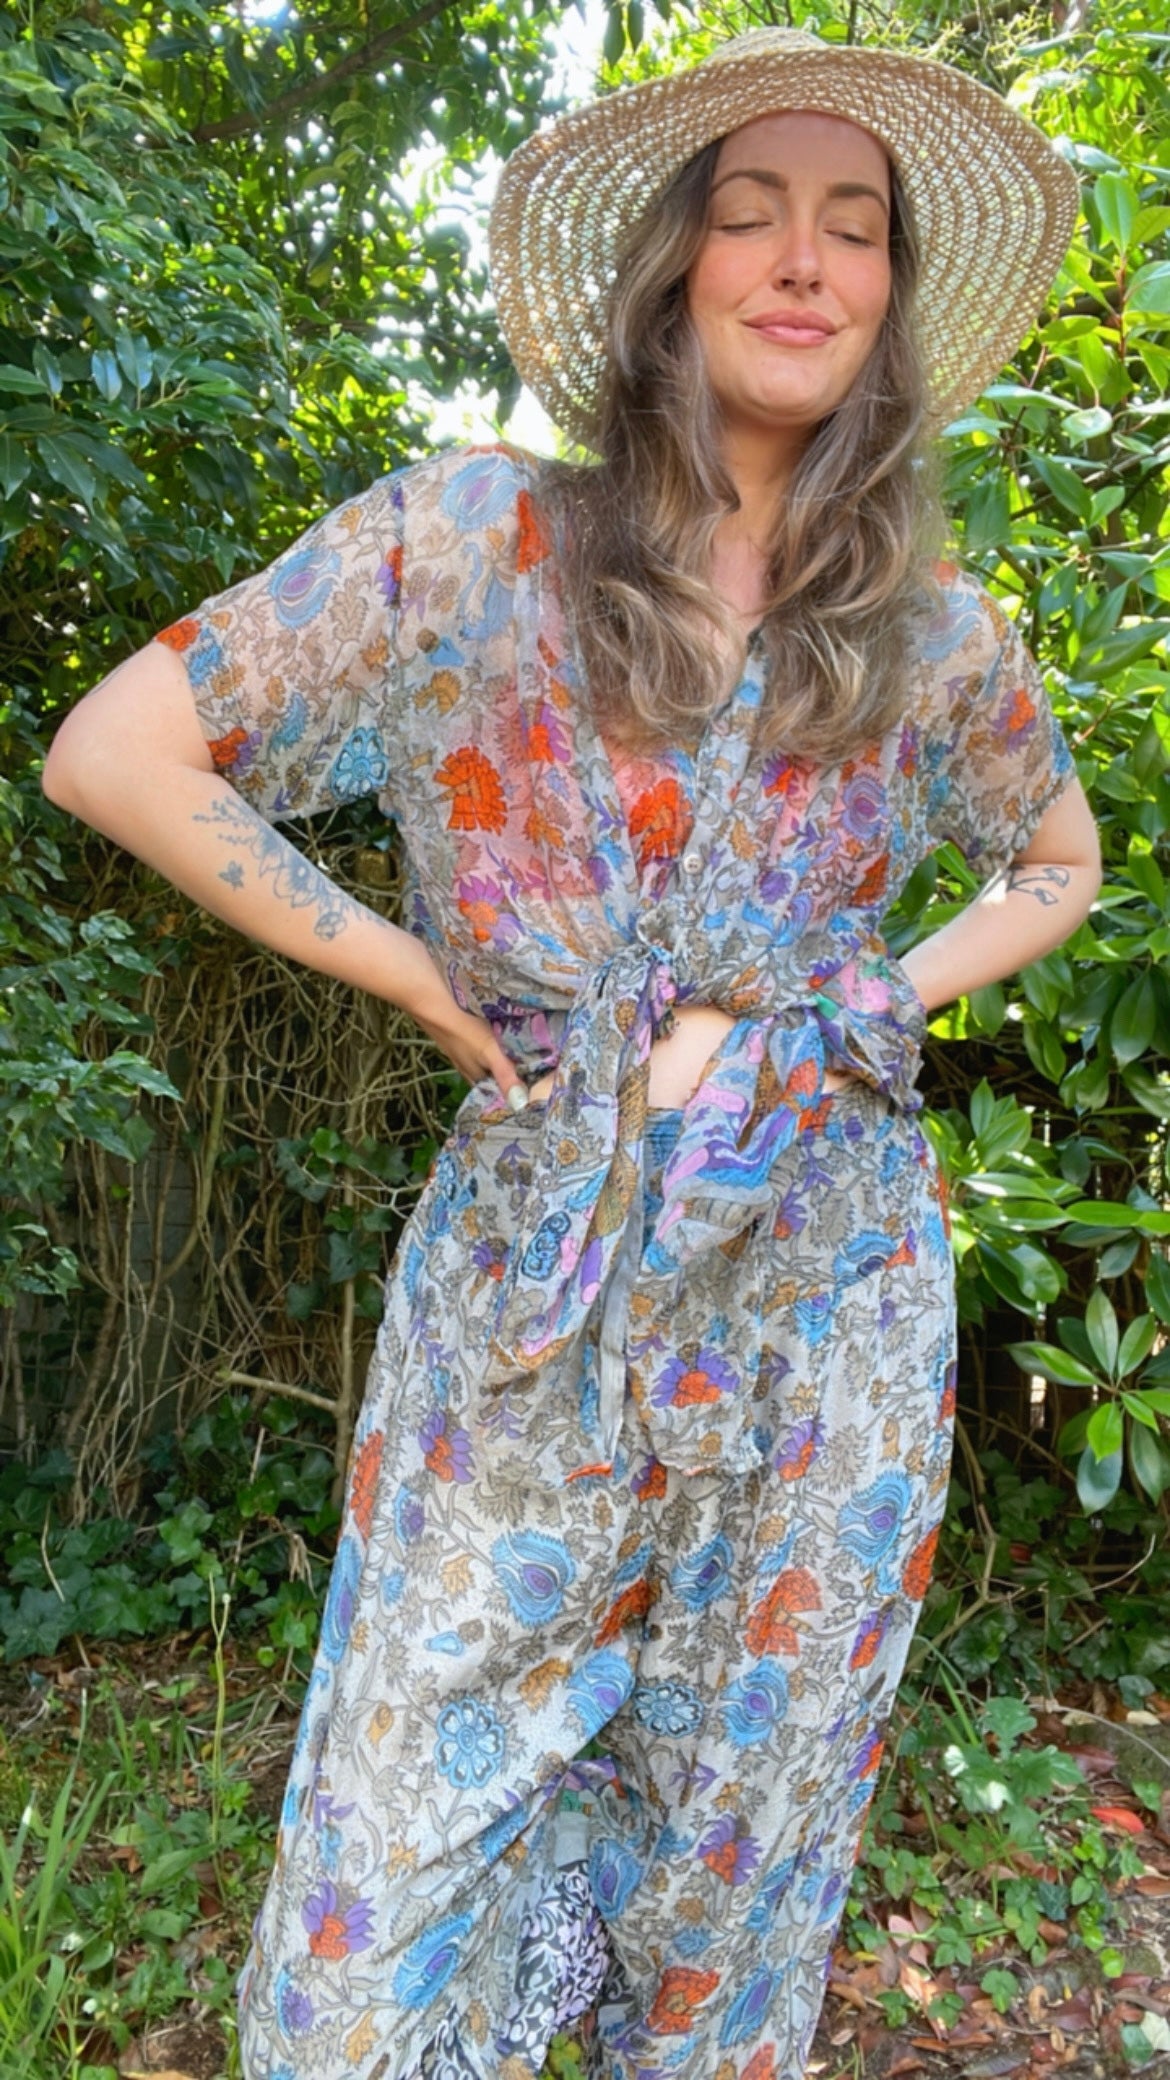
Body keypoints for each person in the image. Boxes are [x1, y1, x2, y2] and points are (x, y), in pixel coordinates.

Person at [44, 26, 1101, 2080]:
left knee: (734, 1874)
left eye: (855, 225)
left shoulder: (931, 637)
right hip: (526, 1307)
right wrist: (415, 978)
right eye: (752, 211)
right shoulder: (467, 543)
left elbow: (1058, 862)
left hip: (824, 1306)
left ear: (889, 298)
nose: (803, 259)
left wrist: (874, 998)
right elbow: (121, 752)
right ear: (670, 266)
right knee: (375, 1916)